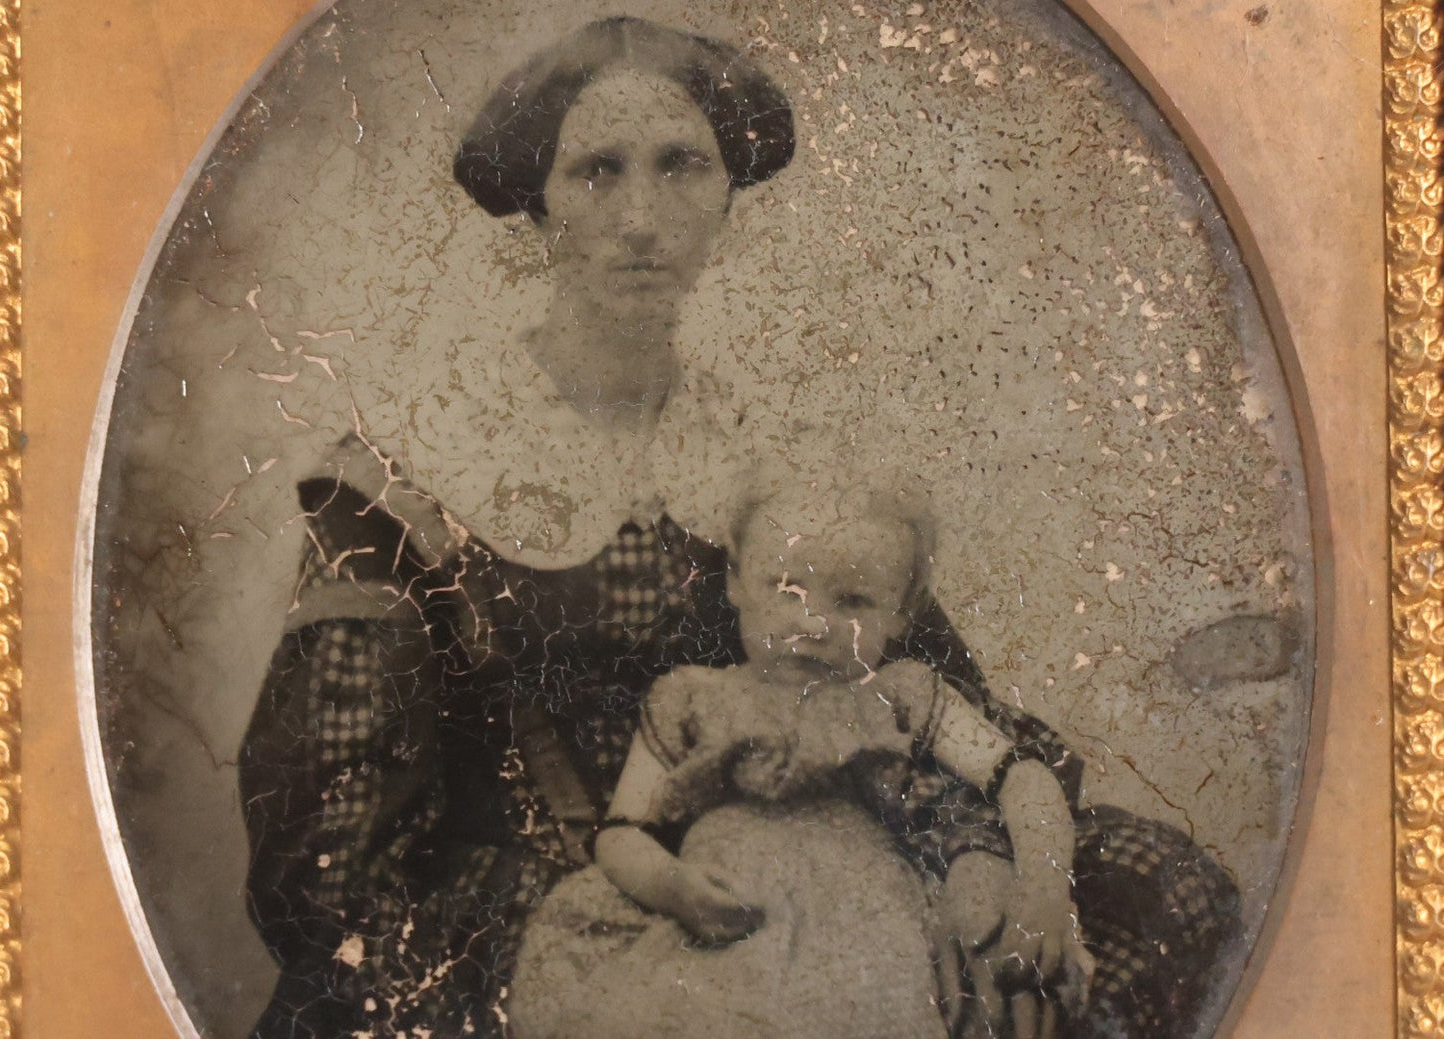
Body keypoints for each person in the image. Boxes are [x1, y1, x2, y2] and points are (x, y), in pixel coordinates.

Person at [239, 16, 1238, 1039]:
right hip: (558, 913)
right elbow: (327, 861)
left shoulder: (773, 459)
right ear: (537, 210)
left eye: (681, 167)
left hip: (825, 868)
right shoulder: (410, 472)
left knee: (1164, 888)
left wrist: (968, 869)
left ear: (727, 202)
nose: (641, 217)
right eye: (595, 171)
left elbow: (930, 696)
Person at [592, 476, 1092, 1038]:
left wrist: (1045, 886)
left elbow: (1022, 776)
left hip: (867, 930)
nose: (814, 625)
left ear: (903, 613)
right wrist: (673, 886)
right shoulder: (689, 697)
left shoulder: (899, 694)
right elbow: (620, 831)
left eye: (853, 601)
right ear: (734, 581)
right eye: (787, 589)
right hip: (727, 914)